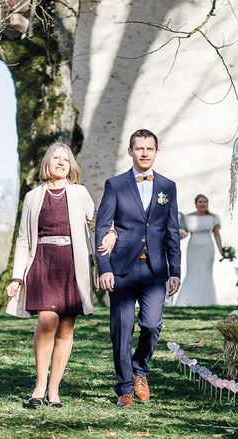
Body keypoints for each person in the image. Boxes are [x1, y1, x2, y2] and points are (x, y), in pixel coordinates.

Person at [6, 142, 96, 409]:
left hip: (71, 263)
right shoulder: (33, 197)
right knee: (47, 321)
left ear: (71, 166)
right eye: (56, 158)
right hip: (42, 263)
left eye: (65, 160)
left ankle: (54, 389)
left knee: (66, 328)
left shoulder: (80, 193)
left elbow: (96, 222)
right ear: (47, 163)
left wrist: (106, 238)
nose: (60, 163)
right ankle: (39, 385)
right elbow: (23, 239)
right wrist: (16, 277)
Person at [95, 128, 180, 407]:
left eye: (149, 149)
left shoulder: (167, 187)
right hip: (120, 268)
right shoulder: (115, 185)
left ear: (156, 152)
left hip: (155, 270)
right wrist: (103, 267)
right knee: (122, 328)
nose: (144, 153)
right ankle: (125, 388)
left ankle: (140, 368)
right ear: (130, 151)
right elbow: (102, 227)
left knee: (152, 324)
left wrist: (175, 269)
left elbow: (171, 230)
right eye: (139, 148)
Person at [174, 194, 222, 306]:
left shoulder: (213, 217)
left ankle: (206, 301)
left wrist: (222, 250)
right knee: (192, 271)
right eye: (200, 202)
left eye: (205, 202)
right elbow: (182, 232)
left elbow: (217, 235)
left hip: (207, 247)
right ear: (196, 204)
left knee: (206, 272)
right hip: (193, 247)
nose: (202, 204)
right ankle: (189, 300)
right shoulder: (187, 217)